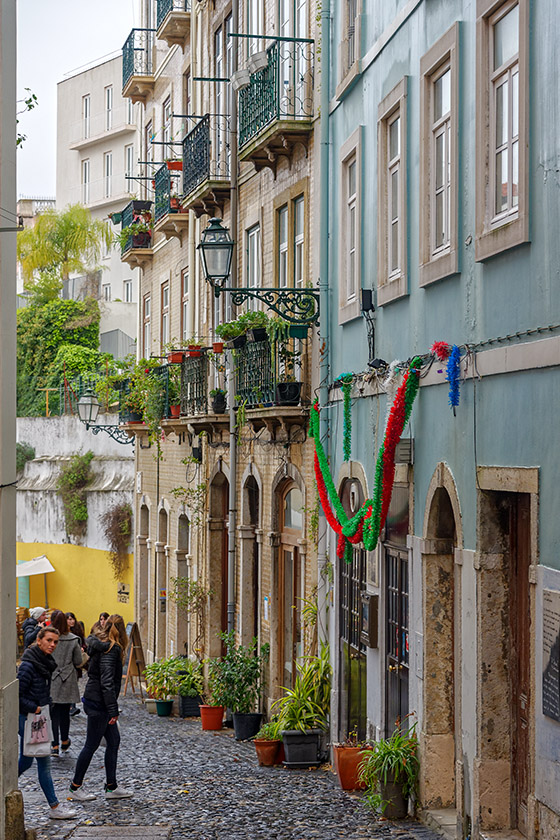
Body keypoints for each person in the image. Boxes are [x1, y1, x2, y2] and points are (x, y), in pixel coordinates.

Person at [68, 614, 132, 802]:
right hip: (99, 703)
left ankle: (111, 787)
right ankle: (75, 787)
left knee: (113, 741)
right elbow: (106, 682)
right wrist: (112, 710)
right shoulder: (112, 649)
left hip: (96, 700)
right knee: (91, 745)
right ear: (122, 632)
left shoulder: (100, 644)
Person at [17, 625, 77, 820]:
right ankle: (55, 807)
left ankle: (4, 785)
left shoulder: (43, 662)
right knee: (44, 762)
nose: (52, 645)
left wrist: (45, 705)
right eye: (49, 640)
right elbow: (17, 695)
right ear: (39, 640)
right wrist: (34, 708)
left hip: (39, 717)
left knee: (26, 761)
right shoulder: (29, 664)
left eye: (55, 642)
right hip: (30, 718)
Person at [49, 610, 82, 757]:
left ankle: (54, 744)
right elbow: (78, 661)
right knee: (64, 712)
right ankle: (64, 741)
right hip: (67, 678)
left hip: (51, 677)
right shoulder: (73, 639)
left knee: (53, 713)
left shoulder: (48, 638)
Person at [66, 612, 86, 717]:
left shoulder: (78, 630)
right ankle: (70, 706)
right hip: (68, 663)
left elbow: (83, 641)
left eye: (72, 619)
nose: (71, 621)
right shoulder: (63, 633)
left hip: (76, 663)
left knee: (74, 684)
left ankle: (72, 706)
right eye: (68, 619)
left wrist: (82, 647)